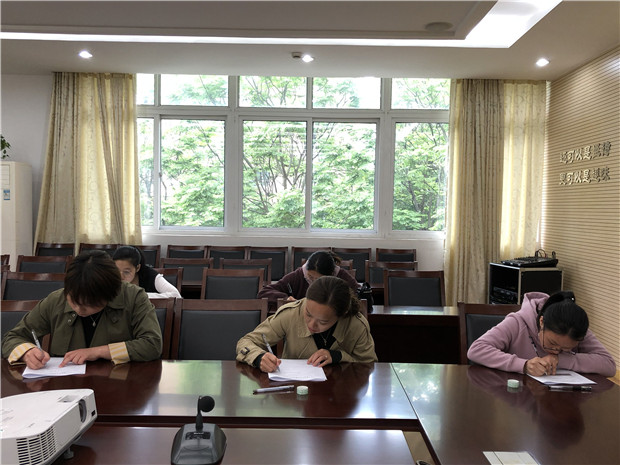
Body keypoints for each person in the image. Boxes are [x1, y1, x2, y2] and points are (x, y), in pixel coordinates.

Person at [2, 250, 162, 369]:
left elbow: (152, 344)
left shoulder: (134, 297)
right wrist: (27, 352)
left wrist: (98, 351)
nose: (79, 309)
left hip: (119, 384)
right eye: (73, 300)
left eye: (89, 304)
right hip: (65, 388)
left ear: (110, 294)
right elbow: (13, 337)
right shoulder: (56, 300)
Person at [237, 275, 377, 372]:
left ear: (342, 314)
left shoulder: (356, 325)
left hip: (341, 394)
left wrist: (338, 356)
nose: (311, 325)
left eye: (323, 321)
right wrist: (259, 357)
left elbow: (369, 366)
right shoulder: (291, 314)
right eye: (308, 314)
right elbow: (246, 342)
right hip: (294, 392)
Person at [467, 291, 616, 377]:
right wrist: (524, 365)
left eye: (565, 349)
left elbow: (609, 365)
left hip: (562, 400)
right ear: (542, 322)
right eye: (552, 344)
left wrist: (562, 359)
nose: (555, 351)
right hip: (519, 398)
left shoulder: (575, 329)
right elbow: (476, 349)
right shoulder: (517, 322)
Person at [257, 250, 359, 305]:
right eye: (310, 276)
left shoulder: (341, 276)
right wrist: (286, 298)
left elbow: (359, 295)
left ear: (331, 274)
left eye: (318, 279)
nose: (313, 281)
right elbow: (264, 292)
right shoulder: (298, 275)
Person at [113, 245, 181, 299]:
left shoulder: (150, 276)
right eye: (116, 270)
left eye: (126, 272)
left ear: (137, 268)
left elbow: (176, 295)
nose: (120, 276)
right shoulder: (111, 274)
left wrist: (140, 296)